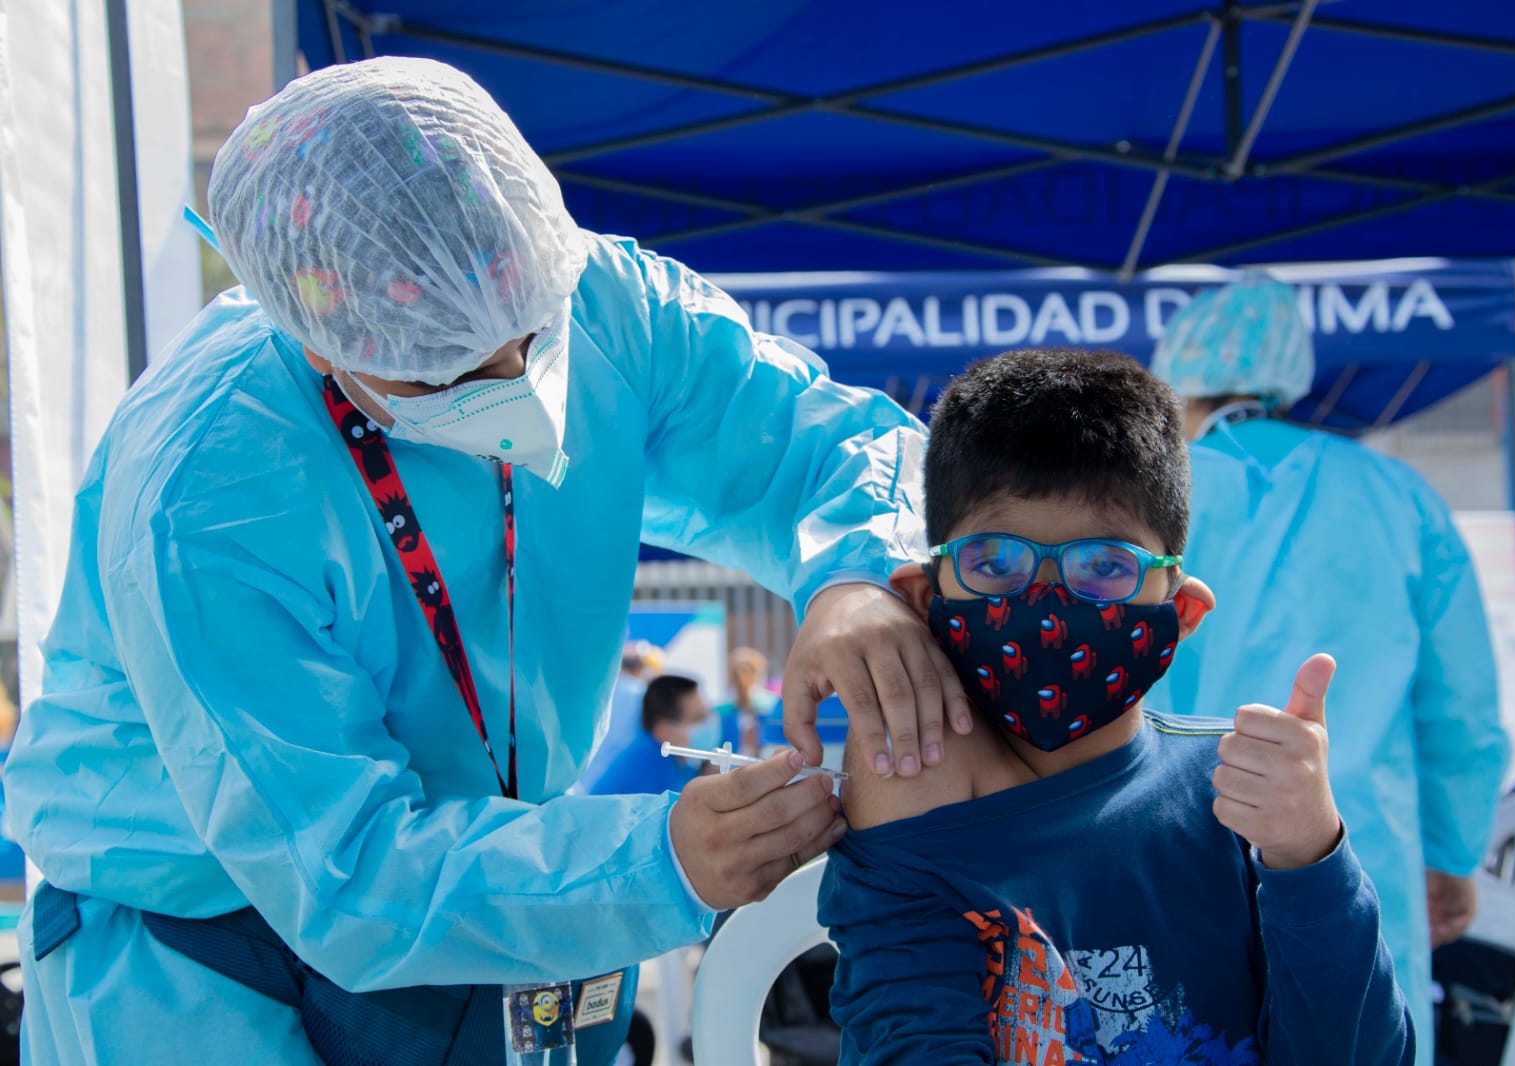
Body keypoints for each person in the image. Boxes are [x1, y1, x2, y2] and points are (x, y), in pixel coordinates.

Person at [1, 57, 964, 1065]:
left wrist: (858, 577)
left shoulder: (609, 305)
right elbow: (346, 871)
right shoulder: (210, 490)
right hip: (188, 947)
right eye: (445, 369)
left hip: (487, 882)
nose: (519, 386)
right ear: (317, 338)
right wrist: (659, 861)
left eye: (533, 334)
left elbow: (818, 443)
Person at [819, 349, 1414, 1064]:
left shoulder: (1241, 806)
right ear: (924, 596)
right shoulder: (913, 791)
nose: (1043, 604)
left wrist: (1311, 859)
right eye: (995, 563)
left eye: (1104, 567)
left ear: (1181, 611)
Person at [1150, 277, 1510, 1063]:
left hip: (1173, 859)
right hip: (1361, 860)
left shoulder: (1146, 500)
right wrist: (1452, 857)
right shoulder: (1397, 494)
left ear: (1178, 378)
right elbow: (1461, 710)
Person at [591, 676, 721, 796]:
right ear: (665, 731)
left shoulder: (677, 761)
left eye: (708, 713)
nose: (710, 722)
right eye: (698, 718)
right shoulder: (649, 766)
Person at [574, 640, 663, 793]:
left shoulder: (599, 693)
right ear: (643, 668)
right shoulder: (642, 696)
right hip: (622, 778)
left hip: (584, 780)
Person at [717, 647, 777, 754]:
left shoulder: (772, 707)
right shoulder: (722, 712)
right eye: (735, 672)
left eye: (747, 670)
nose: (741, 676)